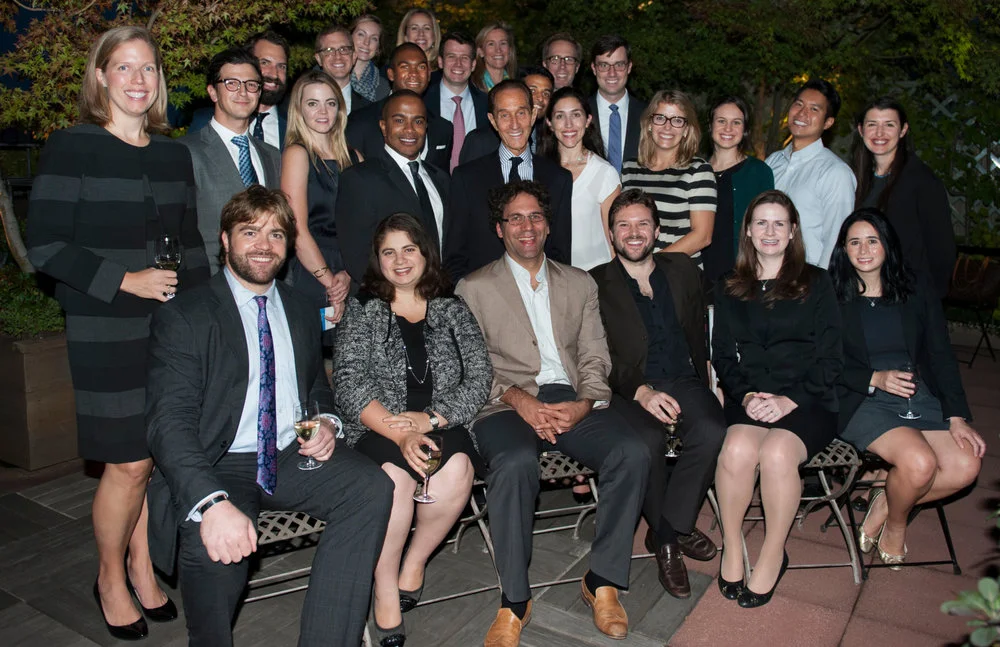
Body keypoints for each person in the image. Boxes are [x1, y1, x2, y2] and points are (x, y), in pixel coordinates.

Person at [145, 186, 391, 646]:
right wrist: (211, 503)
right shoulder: (186, 316)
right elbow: (168, 424)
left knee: (372, 487)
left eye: (277, 234)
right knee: (212, 546)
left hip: (287, 452)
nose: (264, 244)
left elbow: (316, 386)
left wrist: (325, 422)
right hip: (218, 462)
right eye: (250, 232)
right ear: (225, 240)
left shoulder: (300, 308)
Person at [26, 25, 210, 640]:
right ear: (101, 75)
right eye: (125, 67)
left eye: (149, 69)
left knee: (154, 458)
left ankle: (140, 561)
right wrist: (124, 280)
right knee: (128, 462)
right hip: (105, 325)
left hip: (170, 324)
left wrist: (210, 313)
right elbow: (45, 246)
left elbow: (189, 246)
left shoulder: (172, 153)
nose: (138, 80)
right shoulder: (72, 147)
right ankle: (109, 575)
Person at [456, 181, 649, 646]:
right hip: (503, 400)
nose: (527, 226)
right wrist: (522, 401)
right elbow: (472, 366)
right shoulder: (473, 288)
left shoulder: (579, 282)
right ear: (500, 229)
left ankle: (601, 581)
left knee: (633, 451)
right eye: (516, 218)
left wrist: (585, 403)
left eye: (536, 217)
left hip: (569, 395)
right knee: (515, 463)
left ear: (548, 224)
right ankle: (515, 601)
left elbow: (595, 357)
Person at [334, 213, 491, 647]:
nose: (400, 260)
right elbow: (348, 381)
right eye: (389, 252)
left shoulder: (452, 305)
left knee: (457, 470)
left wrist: (432, 420)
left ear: (425, 253)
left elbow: (479, 377)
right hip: (379, 426)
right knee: (394, 482)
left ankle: (414, 563)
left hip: (439, 420)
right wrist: (399, 431)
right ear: (378, 261)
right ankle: (385, 590)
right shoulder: (364, 308)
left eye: (409, 249)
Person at [829, 209, 983, 568]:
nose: (864, 250)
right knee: (919, 463)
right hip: (861, 399)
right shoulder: (831, 295)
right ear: (844, 250)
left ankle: (887, 499)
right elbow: (823, 361)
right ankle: (897, 524)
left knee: (965, 466)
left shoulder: (914, 288)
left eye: (872, 240)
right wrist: (873, 378)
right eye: (854, 242)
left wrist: (956, 415)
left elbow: (940, 353)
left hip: (918, 394)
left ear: (887, 245)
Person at [590, 189, 726, 599]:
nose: (634, 233)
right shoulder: (594, 283)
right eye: (624, 225)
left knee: (712, 429)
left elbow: (717, 317)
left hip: (684, 379)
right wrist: (641, 391)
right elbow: (596, 353)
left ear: (658, 230)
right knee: (647, 442)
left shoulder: (682, 268)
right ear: (611, 234)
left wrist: (715, 377)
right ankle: (669, 542)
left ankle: (667, 528)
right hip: (630, 388)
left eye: (642, 224)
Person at [712, 190, 842, 608]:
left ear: (793, 231)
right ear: (748, 231)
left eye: (779, 223)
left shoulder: (817, 283)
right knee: (734, 449)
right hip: (750, 397)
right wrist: (746, 395)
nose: (770, 231)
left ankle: (772, 552)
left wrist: (789, 401)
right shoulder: (731, 285)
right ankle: (733, 545)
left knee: (777, 454)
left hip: (808, 399)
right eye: (761, 223)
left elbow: (832, 358)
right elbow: (722, 356)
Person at [445, 79, 573, 280]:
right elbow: (454, 256)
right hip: (482, 300)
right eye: (504, 115)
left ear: (532, 115)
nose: (514, 124)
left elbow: (560, 254)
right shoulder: (466, 178)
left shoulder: (558, 179)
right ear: (493, 121)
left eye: (521, 113)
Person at [182, 47, 282, 274]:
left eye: (251, 84)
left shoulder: (272, 155)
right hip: (209, 282)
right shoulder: (186, 151)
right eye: (231, 83)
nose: (243, 92)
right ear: (213, 92)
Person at [338, 91, 450, 287]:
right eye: (399, 120)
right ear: (383, 126)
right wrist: (400, 300)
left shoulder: (441, 179)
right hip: (388, 301)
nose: (410, 129)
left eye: (418, 121)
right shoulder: (359, 179)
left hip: (440, 297)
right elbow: (357, 256)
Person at [852, 97, 956, 298]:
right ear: (861, 130)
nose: (880, 133)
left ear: (903, 130)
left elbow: (942, 249)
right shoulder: (859, 178)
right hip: (868, 292)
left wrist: (930, 302)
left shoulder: (921, 180)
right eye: (872, 124)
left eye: (889, 125)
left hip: (908, 295)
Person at [279, 70, 357, 334]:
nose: (323, 111)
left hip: (353, 272)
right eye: (313, 103)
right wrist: (330, 282)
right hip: (311, 271)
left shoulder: (355, 157)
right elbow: (296, 229)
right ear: (299, 110)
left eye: (330, 103)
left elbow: (366, 226)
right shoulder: (297, 154)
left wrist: (348, 273)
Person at [765, 79, 856, 268]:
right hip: (764, 276)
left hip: (806, 281)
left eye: (814, 109)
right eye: (798, 104)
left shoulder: (835, 173)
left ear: (828, 122)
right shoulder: (773, 162)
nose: (802, 113)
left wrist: (821, 290)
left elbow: (836, 240)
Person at [621, 89, 717, 269]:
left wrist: (651, 265)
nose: (667, 127)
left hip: (679, 275)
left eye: (677, 120)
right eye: (660, 118)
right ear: (649, 123)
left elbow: (702, 236)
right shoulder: (630, 168)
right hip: (632, 274)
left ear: (687, 130)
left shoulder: (698, 171)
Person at [539, 86, 620, 270]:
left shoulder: (604, 173)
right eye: (560, 116)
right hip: (551, 275)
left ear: (588, 120)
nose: (568, 124)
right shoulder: (539, 171)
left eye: (576, 115)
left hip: (596, 277)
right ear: (550, 123)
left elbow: (615, 239)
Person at [346, 43, 453, 171]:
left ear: (429, 75)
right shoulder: (360, 121)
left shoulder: (443, 129)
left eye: (421, 67)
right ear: (391, 74)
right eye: (405, 67)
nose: (414, 73)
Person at [703, 96, 774, 290]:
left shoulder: (759, 172)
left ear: (745, 130)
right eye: (721, 121)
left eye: (736, 122)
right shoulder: (695, 170)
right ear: (710, 126)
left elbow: (768, 226)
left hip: (743, 275)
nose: (728, 128)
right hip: (699, 273)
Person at [190, 31, 291, 151]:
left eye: (281, 66)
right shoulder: (203, 122)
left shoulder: (297, 124)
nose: (274, 74)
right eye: (264, 63)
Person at [423, 31, 489, 171]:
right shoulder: (422, 102)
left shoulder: (488, 105)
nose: (458, 64)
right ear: (440, 62)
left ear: (473, 64)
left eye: (464, 58)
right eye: (451, 56)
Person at [588, 35, 646, 174]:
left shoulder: (648, 114)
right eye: (604, 65)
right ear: (594, 68)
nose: (612, 73)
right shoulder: (580, 113)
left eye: (619, 65)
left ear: (629, 67)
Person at [350, 14, 391, 103]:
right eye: (361, 34)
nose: (366, 42)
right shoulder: (331, 74)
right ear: (349, 37)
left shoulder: (383, 86)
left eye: (374, 39)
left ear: (378, 49)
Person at [472, 22, 517, 92]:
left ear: (510, 50)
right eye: (491, 44)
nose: (498, 50)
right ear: (481, 51)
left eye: (503, 43)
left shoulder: (518, 86)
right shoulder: (471, 87)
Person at [396, 7, 441, 73]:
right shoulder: (392, 71)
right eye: (414, 28)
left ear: (434, 35)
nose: (421, 33)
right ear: (405, 35)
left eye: (426, 28)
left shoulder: (445, 73)